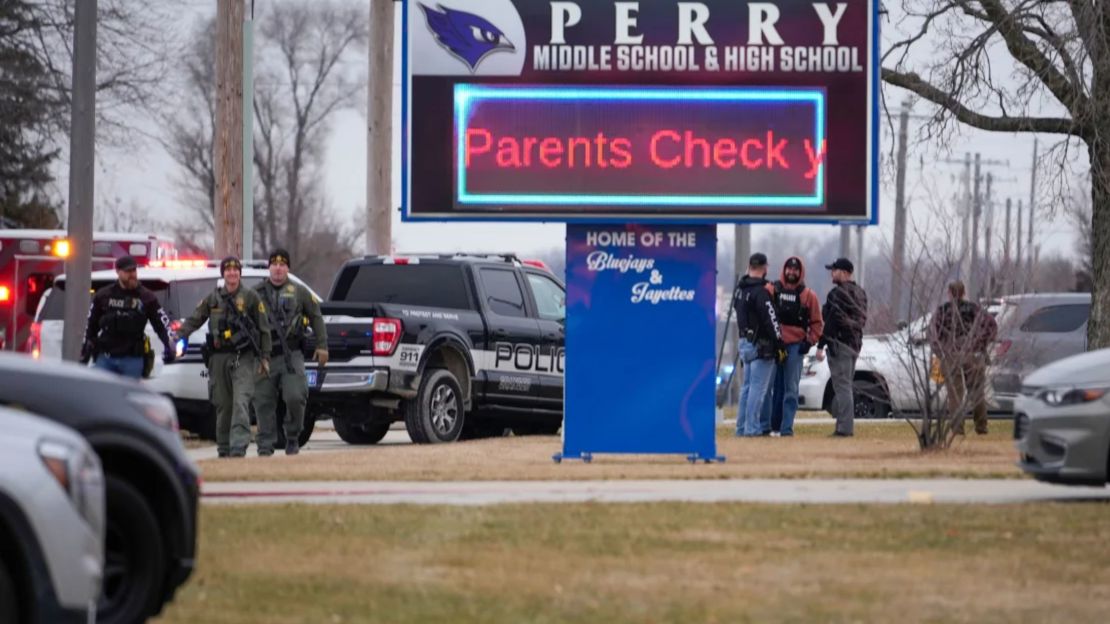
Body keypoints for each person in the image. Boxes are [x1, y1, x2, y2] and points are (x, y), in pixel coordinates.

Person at [176, 257, 272, 458]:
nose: (232, 273)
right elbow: (195, 319)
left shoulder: (251, 297)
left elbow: (264, 329)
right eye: (228, 270)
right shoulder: (213, 298)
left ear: (240, 273)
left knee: (241, 401)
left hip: (242, 357)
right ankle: (224, 448)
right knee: (223, 405)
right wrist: (179, 336)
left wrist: (265, 356)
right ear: (223, 274)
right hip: (218, 358)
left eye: (235, 270)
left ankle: (238, 447)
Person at [253, 248, 329, 456]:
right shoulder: (256, 293)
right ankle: (265, 445)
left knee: (296, 396)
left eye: (282, 264)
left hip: (291, 355)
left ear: (287, 268)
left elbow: (316, 317)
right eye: (274, 264)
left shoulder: (300, 292)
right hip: (264, 357)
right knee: (263, 401)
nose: (278, 268)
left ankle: (293, 436)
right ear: (269, 267)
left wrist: (322, 345)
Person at [80, 255, 176, 377]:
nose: (132, 275)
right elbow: (91, 325)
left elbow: (162, 325)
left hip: (132, 360)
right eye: (127, 271)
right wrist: (85, 350)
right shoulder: (104, 295)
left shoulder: (146, 297)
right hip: (105, 359)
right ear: (118, 272)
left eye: (134, 270)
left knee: (128, 396)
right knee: (101, 395)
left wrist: (171, 344)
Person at [761, 256, 824, 437]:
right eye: (789, 269)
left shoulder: (808, 296)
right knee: (766, 388)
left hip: (796, 347)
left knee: (791, 390)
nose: (791, 272)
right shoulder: (771, 290)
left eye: (795, 270)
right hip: (773, 346)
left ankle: (786, 429)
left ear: (800, 272)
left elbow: (817, 323)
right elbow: (761, 313)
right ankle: (765, 427)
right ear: (783, 270)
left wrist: (809, 342)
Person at [929, 281, 997, 435]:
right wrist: (980, 344)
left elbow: (932, 334)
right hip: (973, 355)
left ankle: (958, 430)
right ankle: (981, 427)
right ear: (964, 292)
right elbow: (991, 326)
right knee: (977, 393)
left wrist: (941, 351)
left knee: (955, 395)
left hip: (950, 355)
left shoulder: (942, 311)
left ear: (949, 293)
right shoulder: (974, 309)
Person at [733, 253, 784, 437]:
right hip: (761, 346)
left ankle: (741, 428)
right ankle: (752, 429)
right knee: (758, 389)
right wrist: (780, 344)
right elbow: (771, 319)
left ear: (749, 266)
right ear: (764, 268)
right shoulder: (762, 292)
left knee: (746, 388)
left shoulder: (740, 290)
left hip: (744, 343)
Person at [816, 258, 868, 437]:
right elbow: (862, 320)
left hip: (839, 344)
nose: (832, 273)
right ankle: (843, 426)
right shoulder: (860, 293)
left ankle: (844, 429)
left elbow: (831, 321)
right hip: (854, 345)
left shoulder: (837, 294)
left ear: (845, 272)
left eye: (835, 270)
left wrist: (821, 345)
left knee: (842, 387)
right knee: (846, 386)